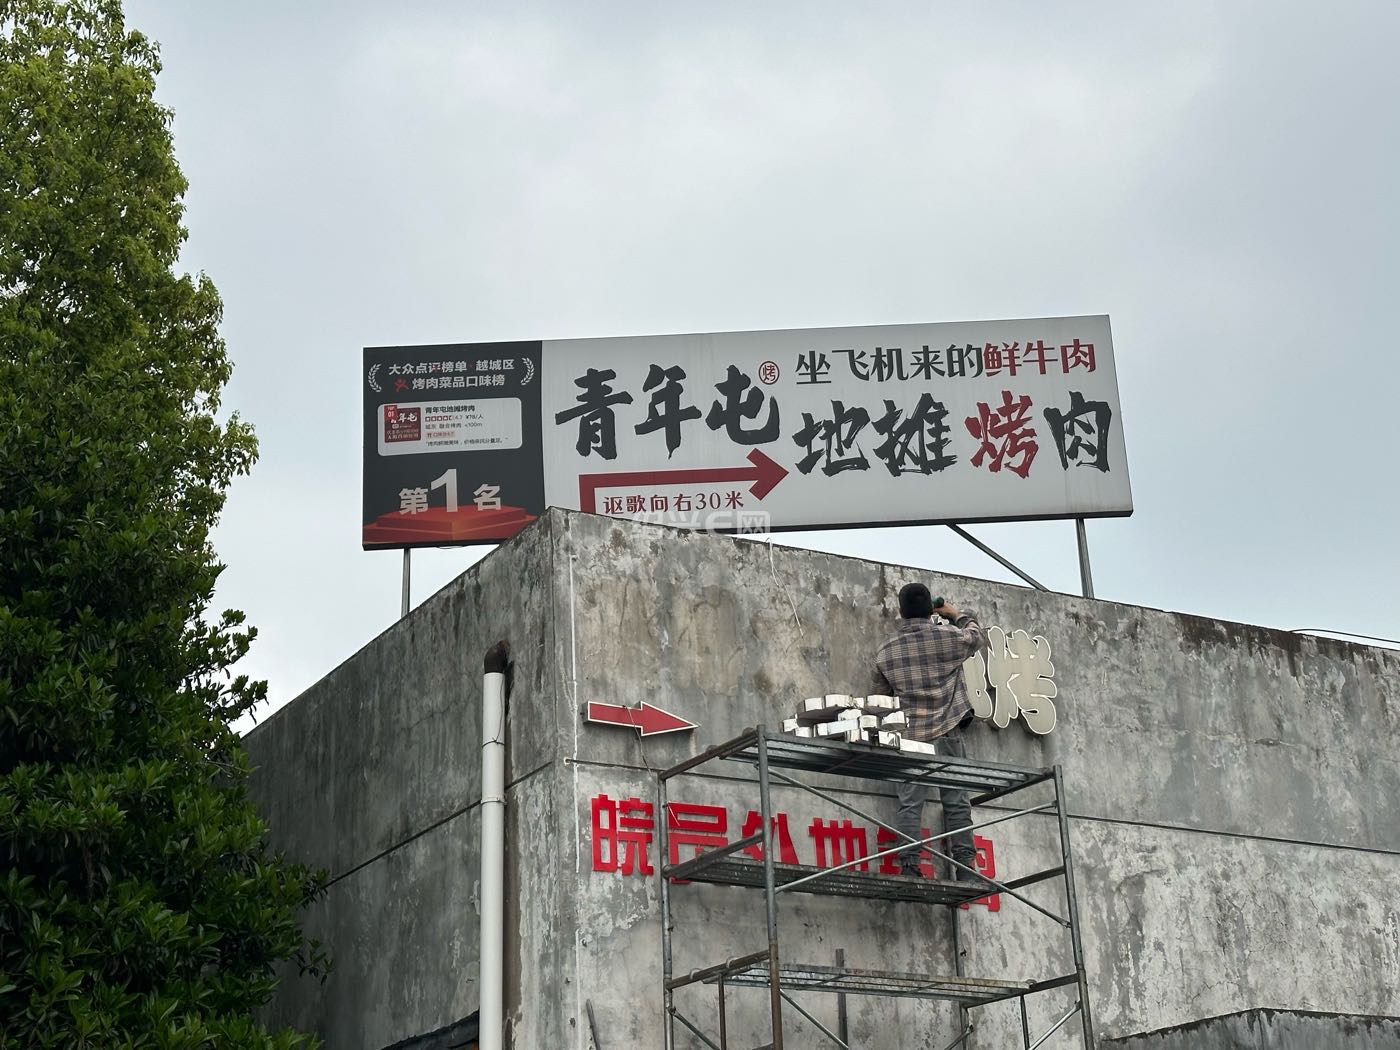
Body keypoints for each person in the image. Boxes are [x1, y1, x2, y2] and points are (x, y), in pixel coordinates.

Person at [872, 582, 985, 880]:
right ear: (930, 609)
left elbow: (879, 698)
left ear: (901, 611)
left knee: (910, 804)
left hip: (909, 736)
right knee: (956, 800)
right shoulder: (947, 637)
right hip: (947, 730)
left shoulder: (886, 651)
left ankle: (910, 865)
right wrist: (955, 614)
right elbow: (975, 636)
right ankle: (965, 868)